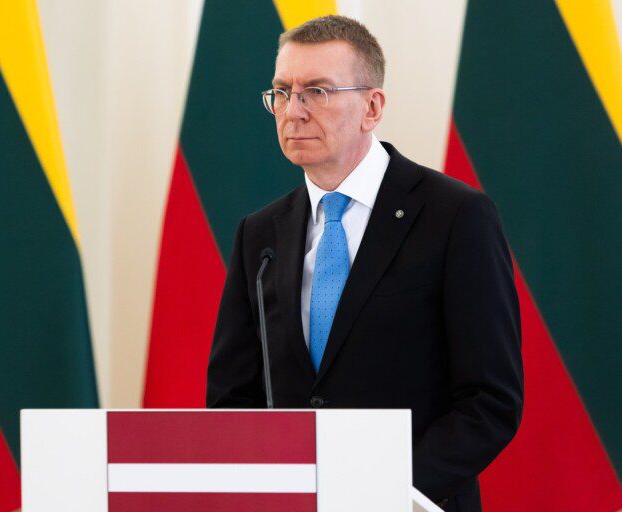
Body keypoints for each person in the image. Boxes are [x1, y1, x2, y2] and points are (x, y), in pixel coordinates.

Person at [206, 15, 522, 512]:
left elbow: (490, 400)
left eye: (316, 92)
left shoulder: (456, 216)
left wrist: (383, 491)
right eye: (282, 92)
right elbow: (231, 398)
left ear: (372, 107)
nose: (294, 112)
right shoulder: (259, 233)